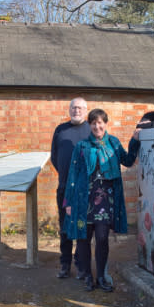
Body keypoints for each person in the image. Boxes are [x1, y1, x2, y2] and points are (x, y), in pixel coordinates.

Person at [63, 108, 140, 292]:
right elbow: (72, 175)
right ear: (89, 125)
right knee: (83, 240)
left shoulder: (113, 143)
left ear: (106, 123)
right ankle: (88, 277)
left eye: (100, 122)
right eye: (94, 123)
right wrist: (69, 202)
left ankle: (101, 277)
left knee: (103, 239)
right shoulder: (82, 146)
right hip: (83, 201)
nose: (97, 126)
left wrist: (135, 140)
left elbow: (128, 161)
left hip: (105, 202)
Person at [50, 97, 92, 279]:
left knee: (83, 228)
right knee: (65, 227)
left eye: (80, 108)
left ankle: (81, 264)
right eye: (74, 107)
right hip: (64, 188)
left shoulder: (91, 129)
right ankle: (65, 263)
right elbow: (54, 157)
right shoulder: (60, 130)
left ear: (86, 110)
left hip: (85, 191)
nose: (77, 110)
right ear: (69, 109)